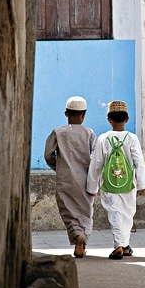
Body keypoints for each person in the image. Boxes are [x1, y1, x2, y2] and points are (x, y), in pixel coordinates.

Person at [86, 100, 145, 259]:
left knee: (115, 213)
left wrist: (92, 187)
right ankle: (124, 245)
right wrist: (143, 183)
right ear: (127, 119)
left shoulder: (103, 138)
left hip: (109, 184)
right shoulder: (132, 138)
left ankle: (120, 246)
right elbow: (138, 162)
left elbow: (96, 164)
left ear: (109, 119)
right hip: (128, 183)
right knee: (128, 214)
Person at [44, 96, 97, 258]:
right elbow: (96, 158)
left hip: (65, 179)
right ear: (83, 115)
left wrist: (58, 167)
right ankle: (83, 236)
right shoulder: (89, 133)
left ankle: (76, 235)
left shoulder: (58, 132)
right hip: (86, 180)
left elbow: (48, 155)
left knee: (68, 210)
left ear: (66, 113)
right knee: (86, 211)